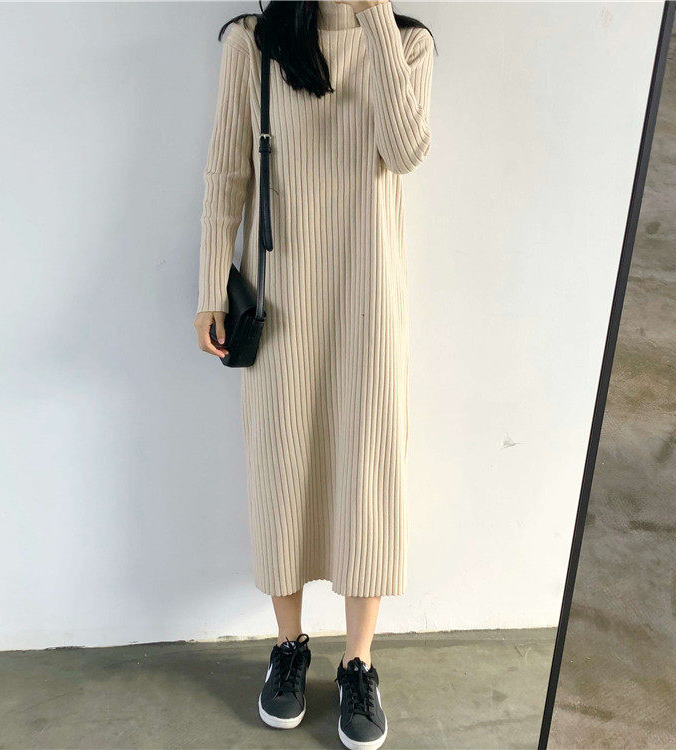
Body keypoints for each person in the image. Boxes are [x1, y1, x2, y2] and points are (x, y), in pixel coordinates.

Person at [194, 1, 434, 747]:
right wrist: (210, 288)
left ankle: (359, 662)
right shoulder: (254, 41)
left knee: (368, 473)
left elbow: (406, 150)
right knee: (283, 467)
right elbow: (227, 171)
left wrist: (375, 20)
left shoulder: (408, 44)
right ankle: (289, 647)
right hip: (283, 299)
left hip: (368, 299)